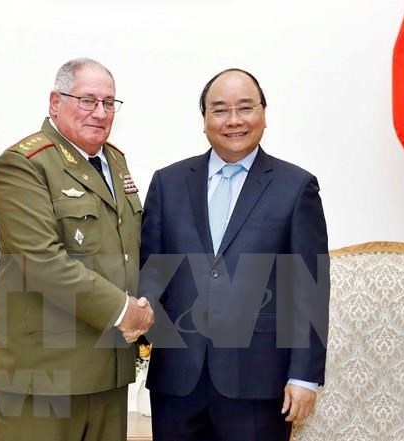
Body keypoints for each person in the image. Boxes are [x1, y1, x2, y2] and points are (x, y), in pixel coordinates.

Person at [139, 68, 330, 441]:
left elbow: (310, 290)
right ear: (204, 119)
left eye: (245, 108)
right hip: (178, 382)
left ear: (263, 113)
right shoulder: (168, 182)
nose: (234, 121)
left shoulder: (296, 188)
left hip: (258, 383)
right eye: (220, 110)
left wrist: (304, 376)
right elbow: (152, 271)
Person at [0, 57, 154, 441]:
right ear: (54, 102)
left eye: (109, 102)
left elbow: (129, 251)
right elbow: (42, 261)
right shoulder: (23, 165)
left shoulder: (114, 161)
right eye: (87, 100)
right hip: (44, 375)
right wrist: (123, 310)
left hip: (108, 369)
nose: (100, 112)